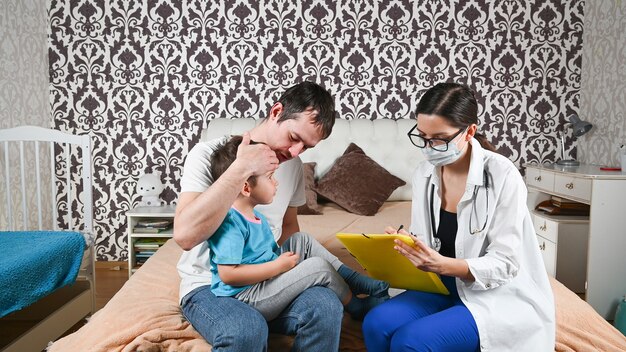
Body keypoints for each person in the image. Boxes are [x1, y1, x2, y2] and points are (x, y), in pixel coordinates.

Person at [175, 81, 388, 351]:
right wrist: (242, 168)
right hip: (210, 285)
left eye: (306, 147)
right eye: (294, 138)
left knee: (325, 305)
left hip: (265, 275)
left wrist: (287, 272)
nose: (296, 152)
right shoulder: (208, 155)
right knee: (246, 328)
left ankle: (352, 293)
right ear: (277, 112)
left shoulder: (293, 165)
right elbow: (184, 237)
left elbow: (289, 228)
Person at [362, 82, 555, 351]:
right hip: (439, 286)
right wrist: (410, 245)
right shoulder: (424, 173)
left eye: (439, 139)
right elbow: (426, 240)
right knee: (375, 323)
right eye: (423, 137)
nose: (429, 148)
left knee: (411, 341)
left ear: (469, 131)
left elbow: (506, 263)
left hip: (493, 293)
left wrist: (443, 265)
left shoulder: (502, 175)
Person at [207, 135, 378, 321]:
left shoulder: (258, 217)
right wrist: (277, 266)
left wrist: (281, 263)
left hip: (262, 282)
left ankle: (351, 278)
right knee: (317, 266)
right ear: (246, 188)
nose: (276, 183)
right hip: (246, 297)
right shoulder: (230, 222)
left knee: (301, 240)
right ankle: (355, 306)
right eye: (270, 177)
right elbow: (228, 275)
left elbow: (266, 254)